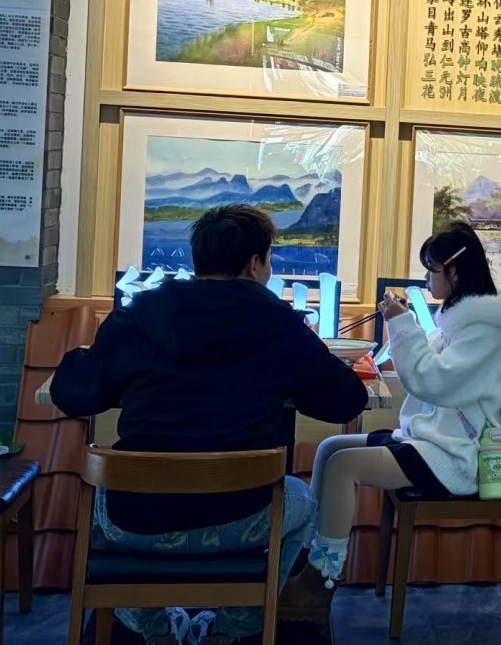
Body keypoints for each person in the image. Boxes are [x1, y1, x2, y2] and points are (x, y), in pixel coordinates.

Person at [52, 204, 369, 645]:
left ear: (199, 258)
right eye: (268, 260)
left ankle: (155, 630)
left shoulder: (140, 314)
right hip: (241, 520)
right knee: (301, 501)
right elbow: (346, 400)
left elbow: (74, 394)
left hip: (137, 521)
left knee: (106, 490)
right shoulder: (278, 323)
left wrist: (86, 358)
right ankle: (232, 629)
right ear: (255, 264)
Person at [302, 220, 501, 589]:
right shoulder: (468, 322)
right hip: (438, 441)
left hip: (462, 457)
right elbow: (432, 370)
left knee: (343, 465)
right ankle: (305, 555)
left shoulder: (485, 332)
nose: (426, 280)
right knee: (330, 447)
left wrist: (402, 325)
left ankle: (320, 579)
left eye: (431, 270)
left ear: (455, 272)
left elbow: (432, 382)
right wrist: (404, 325)